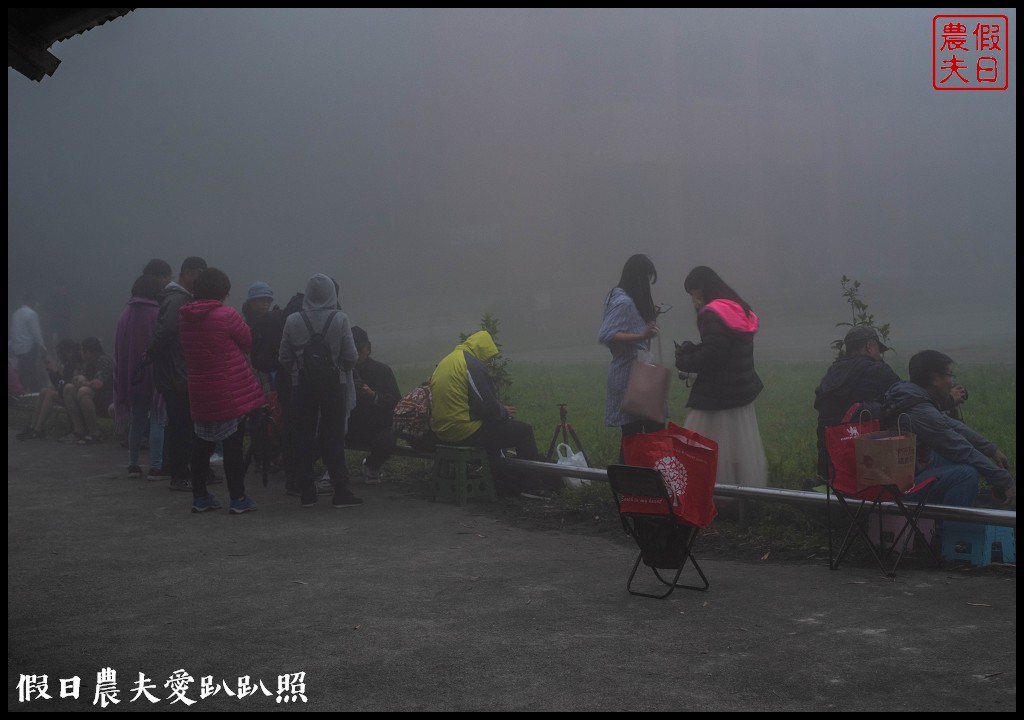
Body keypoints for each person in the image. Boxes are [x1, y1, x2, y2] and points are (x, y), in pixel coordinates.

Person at [178, 268, 264, 514]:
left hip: (199, 388)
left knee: (202, 444)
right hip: (228, 388)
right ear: (223, 291)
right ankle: (237, 498)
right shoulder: (227, 315)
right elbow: (247, 341)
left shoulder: (184, 317)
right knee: (232, 445)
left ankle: (200, 497)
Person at [882, 350, 1015, 509]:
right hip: (903, 486)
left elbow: (952, 425)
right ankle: (955, 530)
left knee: (959, 459)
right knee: (965, 474)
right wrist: (1005, 481)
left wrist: (991, 449)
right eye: (950, 375)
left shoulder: (913, 397)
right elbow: (959, 448)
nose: (952, 382)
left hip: (911, 467)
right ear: (936, 378)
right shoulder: (920, 410)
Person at [674, 266, 768, 488]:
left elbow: (714, 354)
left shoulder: (712, 313)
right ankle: (740, 494)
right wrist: (697, 348)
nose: (693, 299)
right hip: (740, 389)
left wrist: (684, 360)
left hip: (717, 394)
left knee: (701, 445)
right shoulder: (737, 307)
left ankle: (709, 494)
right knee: (736, 448)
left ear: (701, 289)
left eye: (692, 292)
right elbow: (725, 347)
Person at [430, 330, 551, 495]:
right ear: (482, 351)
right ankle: (532, 487)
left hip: (442, 431)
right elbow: (488, 408)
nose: (489, 362)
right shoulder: (472, 364)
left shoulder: (447, 360)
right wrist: (504, 412)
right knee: (523, 431)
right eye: (489, 357)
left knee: (493, 433)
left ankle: (502, 484)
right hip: (462, 432)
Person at [278, 272, 362, 509]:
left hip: (301, 387)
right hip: (335, 386)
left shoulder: (293, 320)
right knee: (333, 437)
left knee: (303, 437)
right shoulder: (340, 319)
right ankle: (341, 491)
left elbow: (283, 356)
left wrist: (298, 372)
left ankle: (307, 492)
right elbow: (351, 356)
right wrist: (340, 370)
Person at [146, 256, 208, 490]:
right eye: (200, 274)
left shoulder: (176, 297)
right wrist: (152, 350)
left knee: (181, 424)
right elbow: (168, 329)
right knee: (182, 425)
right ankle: (179, 474)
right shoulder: (179, 299)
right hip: (176, 373)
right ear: (190, 273)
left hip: (173, 372)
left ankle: (181, 469)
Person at [813, 325, 901, 480]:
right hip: (868, 466)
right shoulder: (878, 370)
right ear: (869, 347)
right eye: (878, 349)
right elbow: (906, 397)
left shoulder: (833, 371)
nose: (879, 354)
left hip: (831, 466)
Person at [598, 254, 664, 460]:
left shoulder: (622, 299)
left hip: (639, 373)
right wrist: (642, 334)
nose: (647, 285)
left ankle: (640, 484)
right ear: (638, 277)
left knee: (644, 433)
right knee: (637, 436)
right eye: (646, 278)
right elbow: (607, 334)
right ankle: (634, 484)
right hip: (631, 376)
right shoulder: (624, 302)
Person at [114, 274, 167, 479]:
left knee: (137, 420)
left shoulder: (125, 314)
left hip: (131, 376)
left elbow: (119, 350)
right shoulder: (157, 313)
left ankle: (133, 465)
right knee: (157, 419)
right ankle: (156, 466)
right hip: (154, 375)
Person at [346, 325, 401, 482]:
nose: (356, 354)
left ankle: (372, 466)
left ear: (368, 349)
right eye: (352, 349)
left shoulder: (382, 371)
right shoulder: (342, 371)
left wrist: (373, 395)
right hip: (349, 425)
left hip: (376, 426)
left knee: (389, 439)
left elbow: (396, 400)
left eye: (359, 349)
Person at [16, 338, 82, 440]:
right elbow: (61, 386)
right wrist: (52, 372)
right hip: (68, 394)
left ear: (68, 351)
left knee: (50, 395)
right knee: (44, 391)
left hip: (75, 396)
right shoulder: (69, 365)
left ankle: (38, 430)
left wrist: (55, 372)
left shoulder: (76, 364)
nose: (61, 356)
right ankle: (33, 427)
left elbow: (64, 386)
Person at [64, 337, 114, 444]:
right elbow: (77, 378)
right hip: (96, 395)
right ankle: (79, 430)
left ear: (88, 352)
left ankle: (95, 433)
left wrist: (83, 382)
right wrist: (79, 379)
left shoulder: (104, 360)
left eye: (82, 350)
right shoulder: (88, 362)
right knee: (68, 388)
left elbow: (98, 384)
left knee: (83, 391)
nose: (81, 353)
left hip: (108, 397)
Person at [9, 293, 48, 393]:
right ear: (30, 301)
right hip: (29, 347)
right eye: (34, 301)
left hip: (18, 347)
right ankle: (35, 391)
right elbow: (36, 333)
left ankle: (23, 389)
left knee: (23, 370)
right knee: (31, 371)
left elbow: (13, 331)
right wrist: (43, 346)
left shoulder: (16, 314)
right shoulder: (31, 313)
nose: (36, 304)